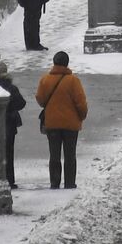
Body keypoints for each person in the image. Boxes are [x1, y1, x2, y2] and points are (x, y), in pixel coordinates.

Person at [36, 52, 88, 189]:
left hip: (52, 123)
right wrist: (81, 116)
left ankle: (55, 182)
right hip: (71, 124)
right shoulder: (73, 81)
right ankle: (70, 182)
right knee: (70, 154)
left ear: (54, 62)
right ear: (67, 63)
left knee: (54, 154)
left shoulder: (45, 80)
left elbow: (40, 100)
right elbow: (81, 102)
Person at [0, 62, 26, 189]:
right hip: (9, 123)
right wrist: (11, 108)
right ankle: (9, 179)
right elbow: (21, 103)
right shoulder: (11, 88)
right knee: (8, 152)